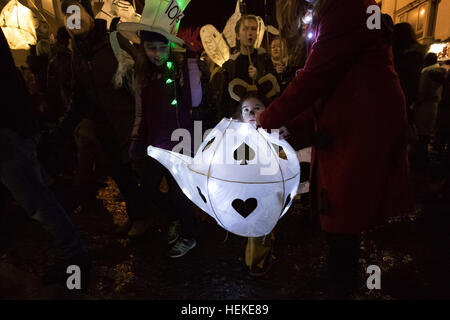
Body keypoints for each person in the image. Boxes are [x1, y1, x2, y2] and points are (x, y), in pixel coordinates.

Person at [258, 0, 413, 299]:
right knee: (343, 212)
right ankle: (341, 276)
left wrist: (269, 117)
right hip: (352, 116)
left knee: (345, 211)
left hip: (361, 122)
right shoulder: (342, 9)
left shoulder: (346, 6)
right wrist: (291, 125)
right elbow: (328, 78)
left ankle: (341, 286)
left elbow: (315, 77)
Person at [0, 28, 89, 289]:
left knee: (35, 199)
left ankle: (74, 256)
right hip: (13, 128)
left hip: (8, 131)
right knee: (34, 197)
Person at [59, 0, 149, 234]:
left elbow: (142, 68)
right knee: (122, 176)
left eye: (76, 12)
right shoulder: (77, 52)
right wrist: (63, 127)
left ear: (88, 14)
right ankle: (137, 216)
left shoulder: (112, 39)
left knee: (142, 174)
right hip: (105, 128)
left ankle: (164, 219)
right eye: (68, 16)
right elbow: (79, 95)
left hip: (129, 121)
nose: (74, 19)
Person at [118, 0, 200, 258]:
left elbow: (195, 100)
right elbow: (141, 112)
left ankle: (190, 235)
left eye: (161, 47)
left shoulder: (179, 72)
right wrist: (136, 140)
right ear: (143, 48)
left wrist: (191, 64)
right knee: (150, 189)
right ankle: (173, 219)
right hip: (153, 144)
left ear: (169, 46)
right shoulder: (141, 75)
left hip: (180, 143)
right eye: (150, 48)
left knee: (180, 193)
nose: (156, 53)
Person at [213, 14, 277, 120]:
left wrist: (259, 76)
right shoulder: (230, 65)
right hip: (237, 122)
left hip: (261, 120)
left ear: (256, 34)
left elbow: (273, 91)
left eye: (253, 29)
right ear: (238, 35)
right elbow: (224, 100)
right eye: (245, 29)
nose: (249, 33)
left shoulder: (265, 60)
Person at [412, 53, 447, 170]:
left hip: (424, 106)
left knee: (421, 134)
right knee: (427, 133)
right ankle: (424, 158)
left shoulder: (426, 72)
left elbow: (421, 91)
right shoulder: (442, 72)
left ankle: (419, 159)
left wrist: (415, 104)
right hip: (434, 105)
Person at [392, 22, 426, 120]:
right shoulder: (413, 56)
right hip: (402, 105)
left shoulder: (409, 58)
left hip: (399, 104)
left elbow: (409, 86)